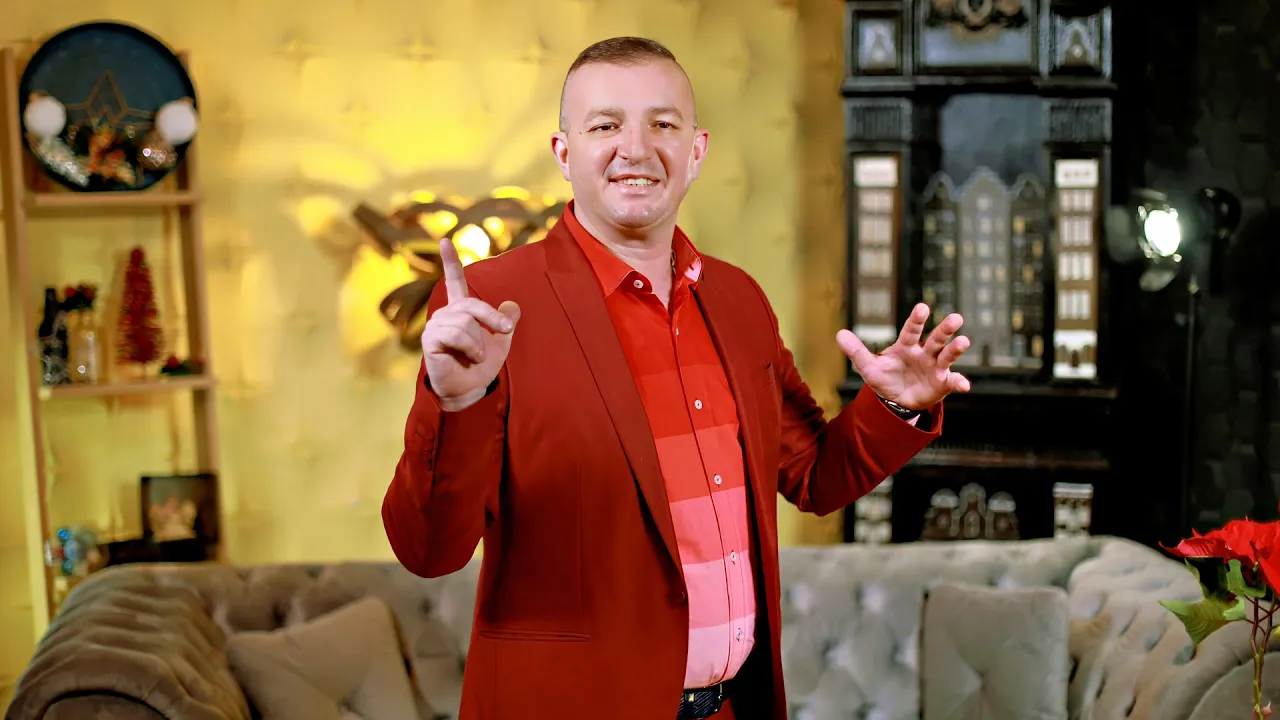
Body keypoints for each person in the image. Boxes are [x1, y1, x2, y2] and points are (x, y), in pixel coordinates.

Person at [383, 36, 971, 720]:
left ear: (696, 151)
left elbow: (813, 476)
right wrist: (456, 402)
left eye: (663, 124)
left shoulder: (738, 298)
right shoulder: (489, 305)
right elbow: (428, 551)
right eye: (605, 126)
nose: (635, 149)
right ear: (564, 153)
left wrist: (893, 406)